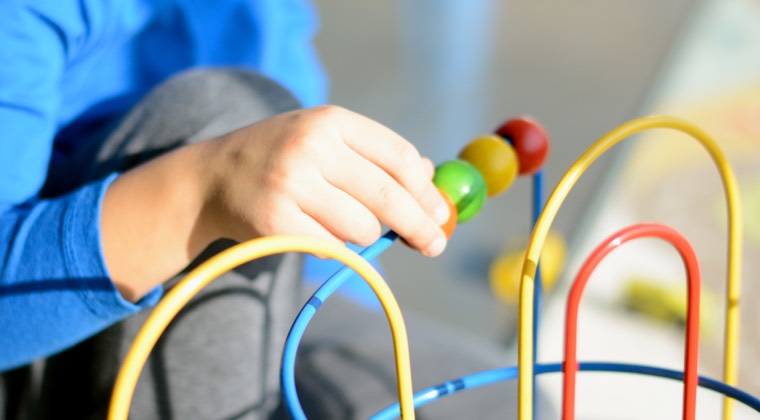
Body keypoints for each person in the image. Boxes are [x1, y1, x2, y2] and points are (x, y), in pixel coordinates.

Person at [0, 1, 552, 419]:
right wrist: (199, 192)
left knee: (507, 400)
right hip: (50, 345)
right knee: (225, 109)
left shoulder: (265, 12)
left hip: (274, 301)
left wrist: (344, 273)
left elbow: (316, 255)